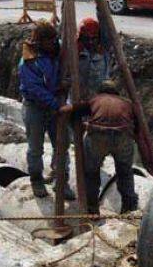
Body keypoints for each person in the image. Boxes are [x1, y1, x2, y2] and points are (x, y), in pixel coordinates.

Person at [59, 80, 139, 214]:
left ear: (101, 90)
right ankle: (129, 208)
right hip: (123, 137)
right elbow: (136, 125)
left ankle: (92, 209)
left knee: (91, 173)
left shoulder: (95, 100)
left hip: (98, 136)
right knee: (125, 173)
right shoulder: (127, 103)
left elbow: (72, 109)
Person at [19, 20, 75, 199]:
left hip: (54, 105)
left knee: (62, 145)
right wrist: (57, 104)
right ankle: (36, 180)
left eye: (55, 39)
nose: (54, 43)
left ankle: (61, 181)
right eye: (50, 41)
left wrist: (63, 84)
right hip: (35, 107)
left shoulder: (58, 51)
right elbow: (36, 90)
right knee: (36, 147)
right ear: (40, 42)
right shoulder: (29, 61)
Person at [77, 17, 110, 100]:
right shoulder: (76, 52)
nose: (90, 42)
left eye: (93, 38)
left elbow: (105, 24)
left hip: (100, 98)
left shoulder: (103, 50)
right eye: (87, 39)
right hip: (80, 98)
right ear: (81, 38)